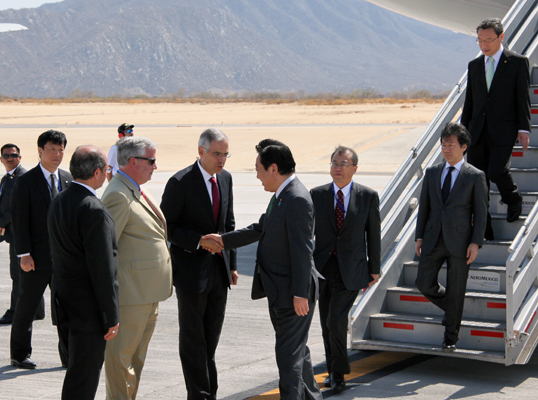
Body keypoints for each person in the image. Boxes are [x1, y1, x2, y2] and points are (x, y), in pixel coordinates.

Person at [204, 139, 323, 400]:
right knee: (298, 355)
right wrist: (223, 240)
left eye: (258, 168)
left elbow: (303, 250)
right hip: (281, 292)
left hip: (293, 295)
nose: (257, 175)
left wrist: (301, 293)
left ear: (273, 168)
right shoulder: (282, 196)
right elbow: (260, 228)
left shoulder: (297, 199)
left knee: (288, 360)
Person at [160, 128, 237, 400]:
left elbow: (228, 224)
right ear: (201, 151)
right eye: (217, 154)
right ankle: (199, 395)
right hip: (191, 273)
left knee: (211, 339)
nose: (222, 160)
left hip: (219, 272)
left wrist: (232, 264)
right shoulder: (180, 181)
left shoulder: (225, 179)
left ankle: (209, 392)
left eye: (226, 154)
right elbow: (166, 227)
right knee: (194, 340)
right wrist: (198, 241)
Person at [102, 136, 172, 400]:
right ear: (133, 162)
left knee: (135, 360)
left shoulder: (137, 188)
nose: (155, 166)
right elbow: (106, 249)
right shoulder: (118, 194)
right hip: (130, 295)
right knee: (121, 361)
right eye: (151, 161)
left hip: (147, 293)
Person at [48, 146, 120, 400]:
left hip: (65, 302)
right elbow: (103, 269)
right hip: (88, 310)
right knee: (84, 377)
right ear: (98, 172)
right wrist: (110, 315)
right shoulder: (93, 209)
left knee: (77, 372)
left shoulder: (60, 199)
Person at [310, 145, 380, 392]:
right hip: (323, 269)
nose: (337, 168)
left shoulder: (367, 196)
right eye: (334, 163)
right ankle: (332, 369)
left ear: (355, 169)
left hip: (352, 269)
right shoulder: (316, 195)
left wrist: (375, 269)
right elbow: (308, 233)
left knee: (336, 320)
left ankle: (339, 374)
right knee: (326, 323)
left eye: (343, 164)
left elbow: (373, 234)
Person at [415, 122, 488, 351]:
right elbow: (424, 207)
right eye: (443, 144)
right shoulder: (433, 172)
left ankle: (450, 338)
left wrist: (476, 243)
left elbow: (481, 212)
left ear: (464, 147)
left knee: (457, 289)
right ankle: (452, 307)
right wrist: (419, 237)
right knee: (423, 283)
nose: (446, 149)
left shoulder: (475, 176)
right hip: (433, 238)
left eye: (451, 145)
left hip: (461, 242)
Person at [461, 17, 531, 239]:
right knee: (477, 180)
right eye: (480, 41)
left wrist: (524, 129)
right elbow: (469, 102)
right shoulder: (474, 66)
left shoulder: (518, 62)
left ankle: (513, 199)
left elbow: (523, 99)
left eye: (488, 40)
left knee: (496, 171)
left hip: (504, 129)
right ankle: (484, 226)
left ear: (501, 37)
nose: (484, 45)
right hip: (477, 130)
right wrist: (463, 133)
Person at [10, 130, 72, 369]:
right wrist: (24, 254)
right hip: (35, 258)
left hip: (63, 259)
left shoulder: (68, 178)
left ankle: (68, 356)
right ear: (39, 151)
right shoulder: (26, 181)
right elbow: (19, 220)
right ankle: (20, 354)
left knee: (65, 307)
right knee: (27, 307)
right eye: (51, 150)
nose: (57, 155)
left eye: (60, 150)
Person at [0, 144, 42, 325]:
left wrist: (1, 223)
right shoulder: (7, 177)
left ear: (20, 157)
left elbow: (15, 207)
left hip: (21, 234)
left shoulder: (22, 177)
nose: (10, 158)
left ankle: (15, 311)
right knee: (26, 274)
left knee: (18, 274)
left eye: (14, 155)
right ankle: (36, 311)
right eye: (6, 155)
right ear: (1, 159)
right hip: (13, 232)